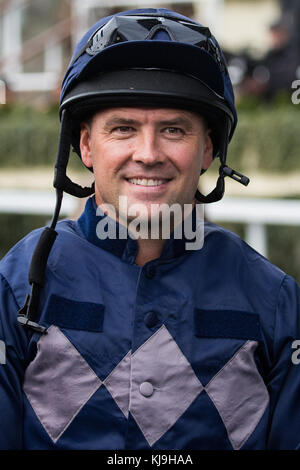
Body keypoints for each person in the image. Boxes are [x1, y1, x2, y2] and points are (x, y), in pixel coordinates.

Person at [0, 8, 300, 451]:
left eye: (174, 130)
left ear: (207, 150)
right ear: (85, 145)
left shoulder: (275, 299)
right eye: (123, 129)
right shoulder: (15, 285)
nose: (148, 153)